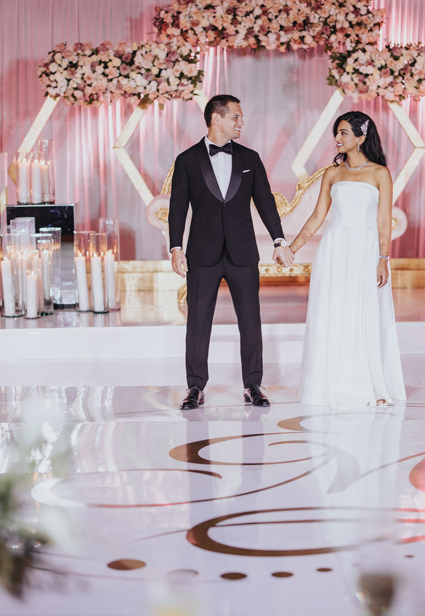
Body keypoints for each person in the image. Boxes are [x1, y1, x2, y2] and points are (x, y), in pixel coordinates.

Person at [168, 94, 293, 411]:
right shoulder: (186, 160)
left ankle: (253, 384)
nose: (241, 122)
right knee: (198, 322)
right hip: (201, 253)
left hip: (243, 253)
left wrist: (279, 241)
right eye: (235, 116)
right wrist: (176, 248)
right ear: (216, 118)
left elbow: (265, 201)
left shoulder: (250, 158)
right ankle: (195, 387)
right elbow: (177, 209)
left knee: (250, 321)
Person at [284, 111, 406, 409]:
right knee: (333, 312)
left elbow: (383, 221)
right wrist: (293, 248)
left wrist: (382, 259)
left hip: (365, 251)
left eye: (343, 133)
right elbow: (316, 218)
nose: (337, 139)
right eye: (336, 133)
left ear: (361, 138)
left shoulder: (380, 173)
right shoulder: (332, 173)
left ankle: (370, 383)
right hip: (335, 250)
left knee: (364, 313)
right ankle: (330, 384)